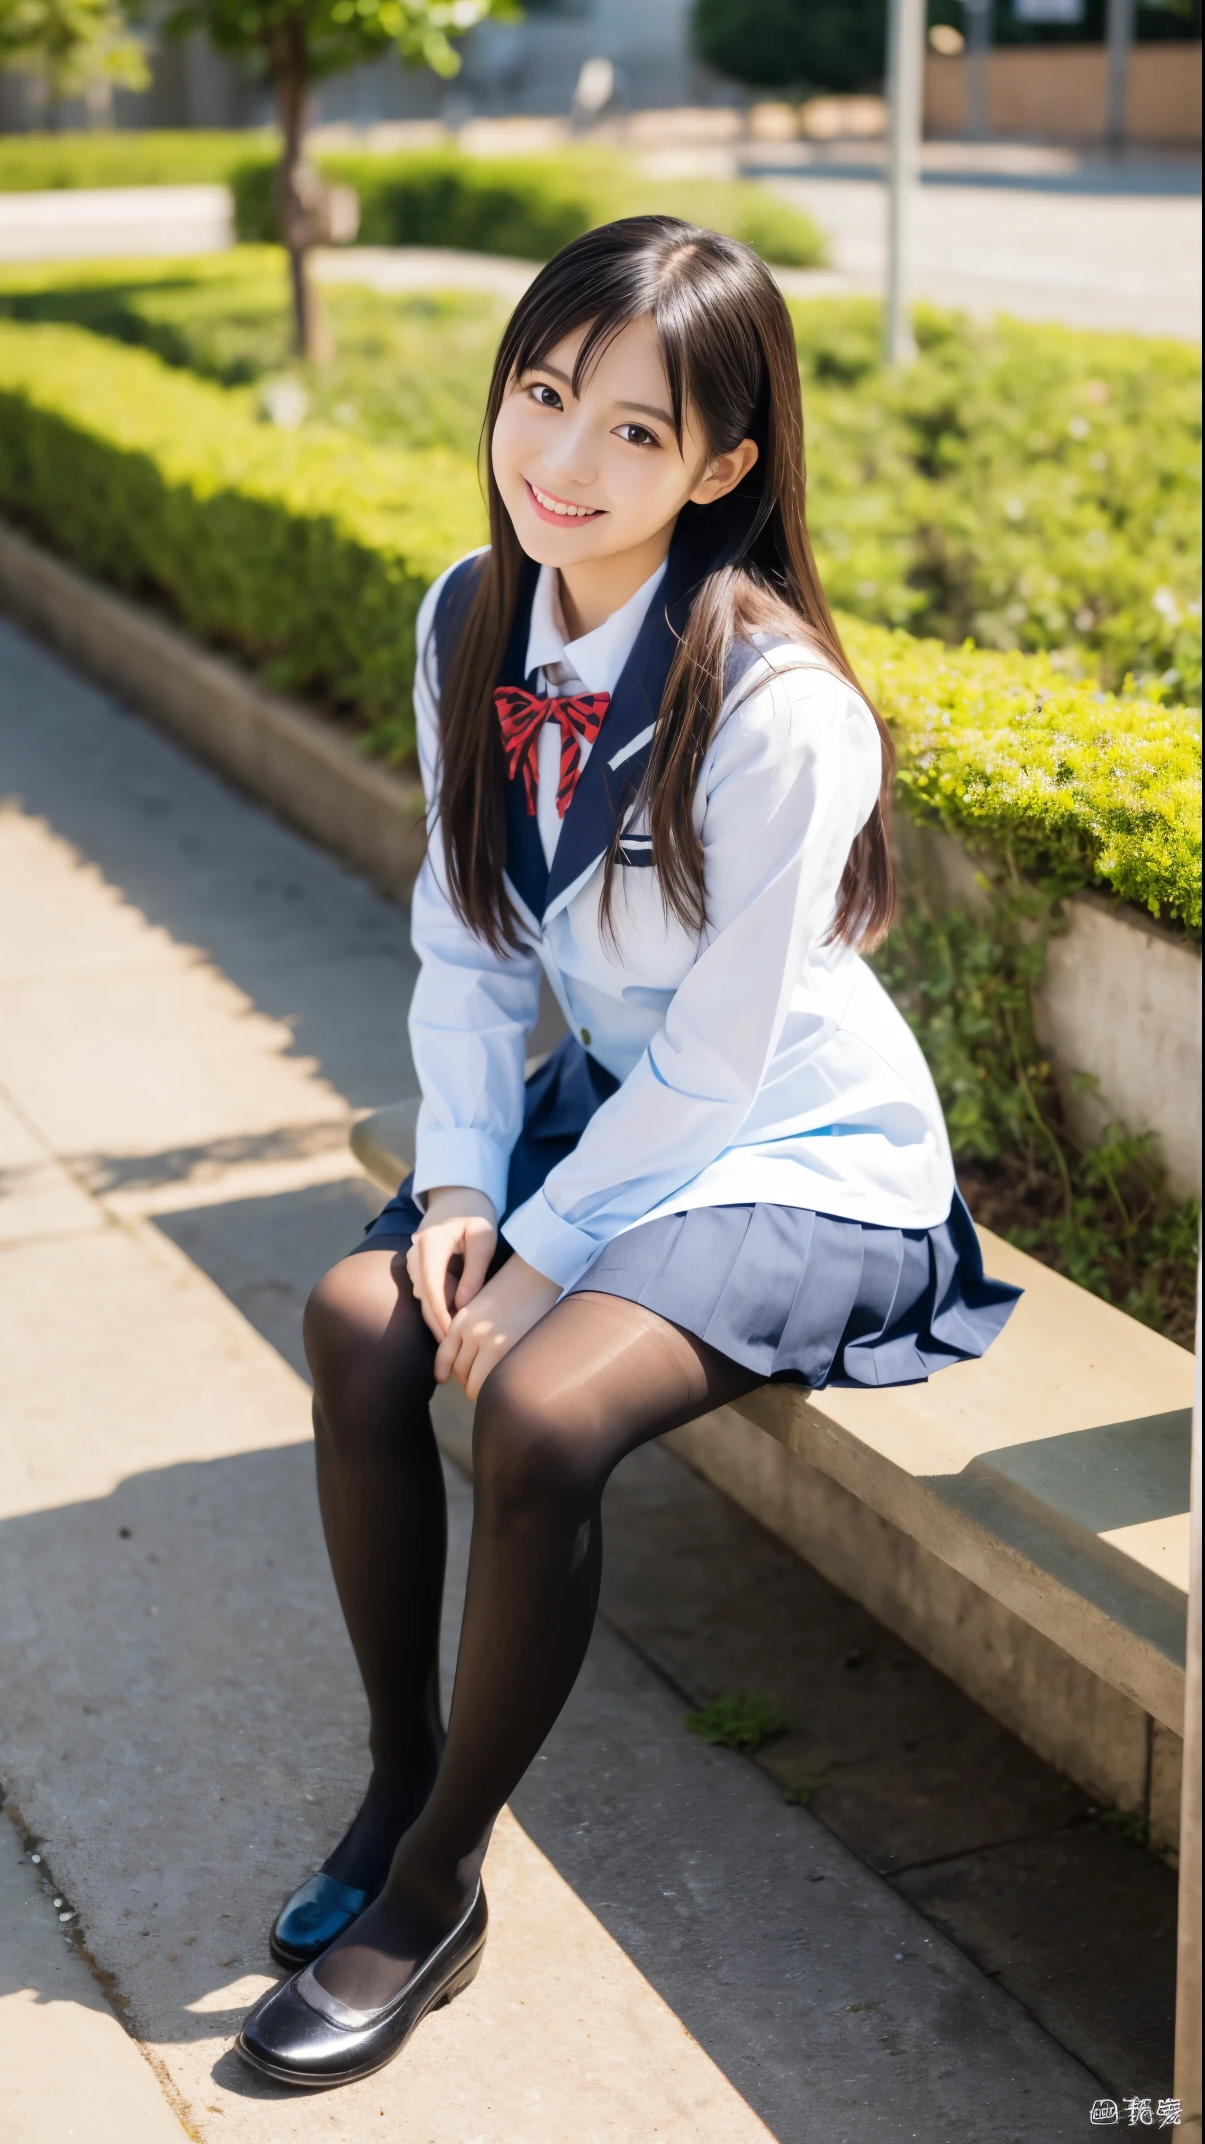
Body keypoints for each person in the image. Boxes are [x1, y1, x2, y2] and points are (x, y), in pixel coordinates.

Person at [236, 216, 1019, 2090]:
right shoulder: (471, 612)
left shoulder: (776, 710)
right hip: (620, 1117)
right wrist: (457, 1193)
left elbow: (731, 1060)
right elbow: (464, 938)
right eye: (543, 392)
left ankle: (434, 1887)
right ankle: (395, 1777)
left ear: (729, 466)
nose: (562, 463)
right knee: (362, 1320)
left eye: (637, 434)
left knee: (545, 1408)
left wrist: (544, 1247)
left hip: (799, 1150)